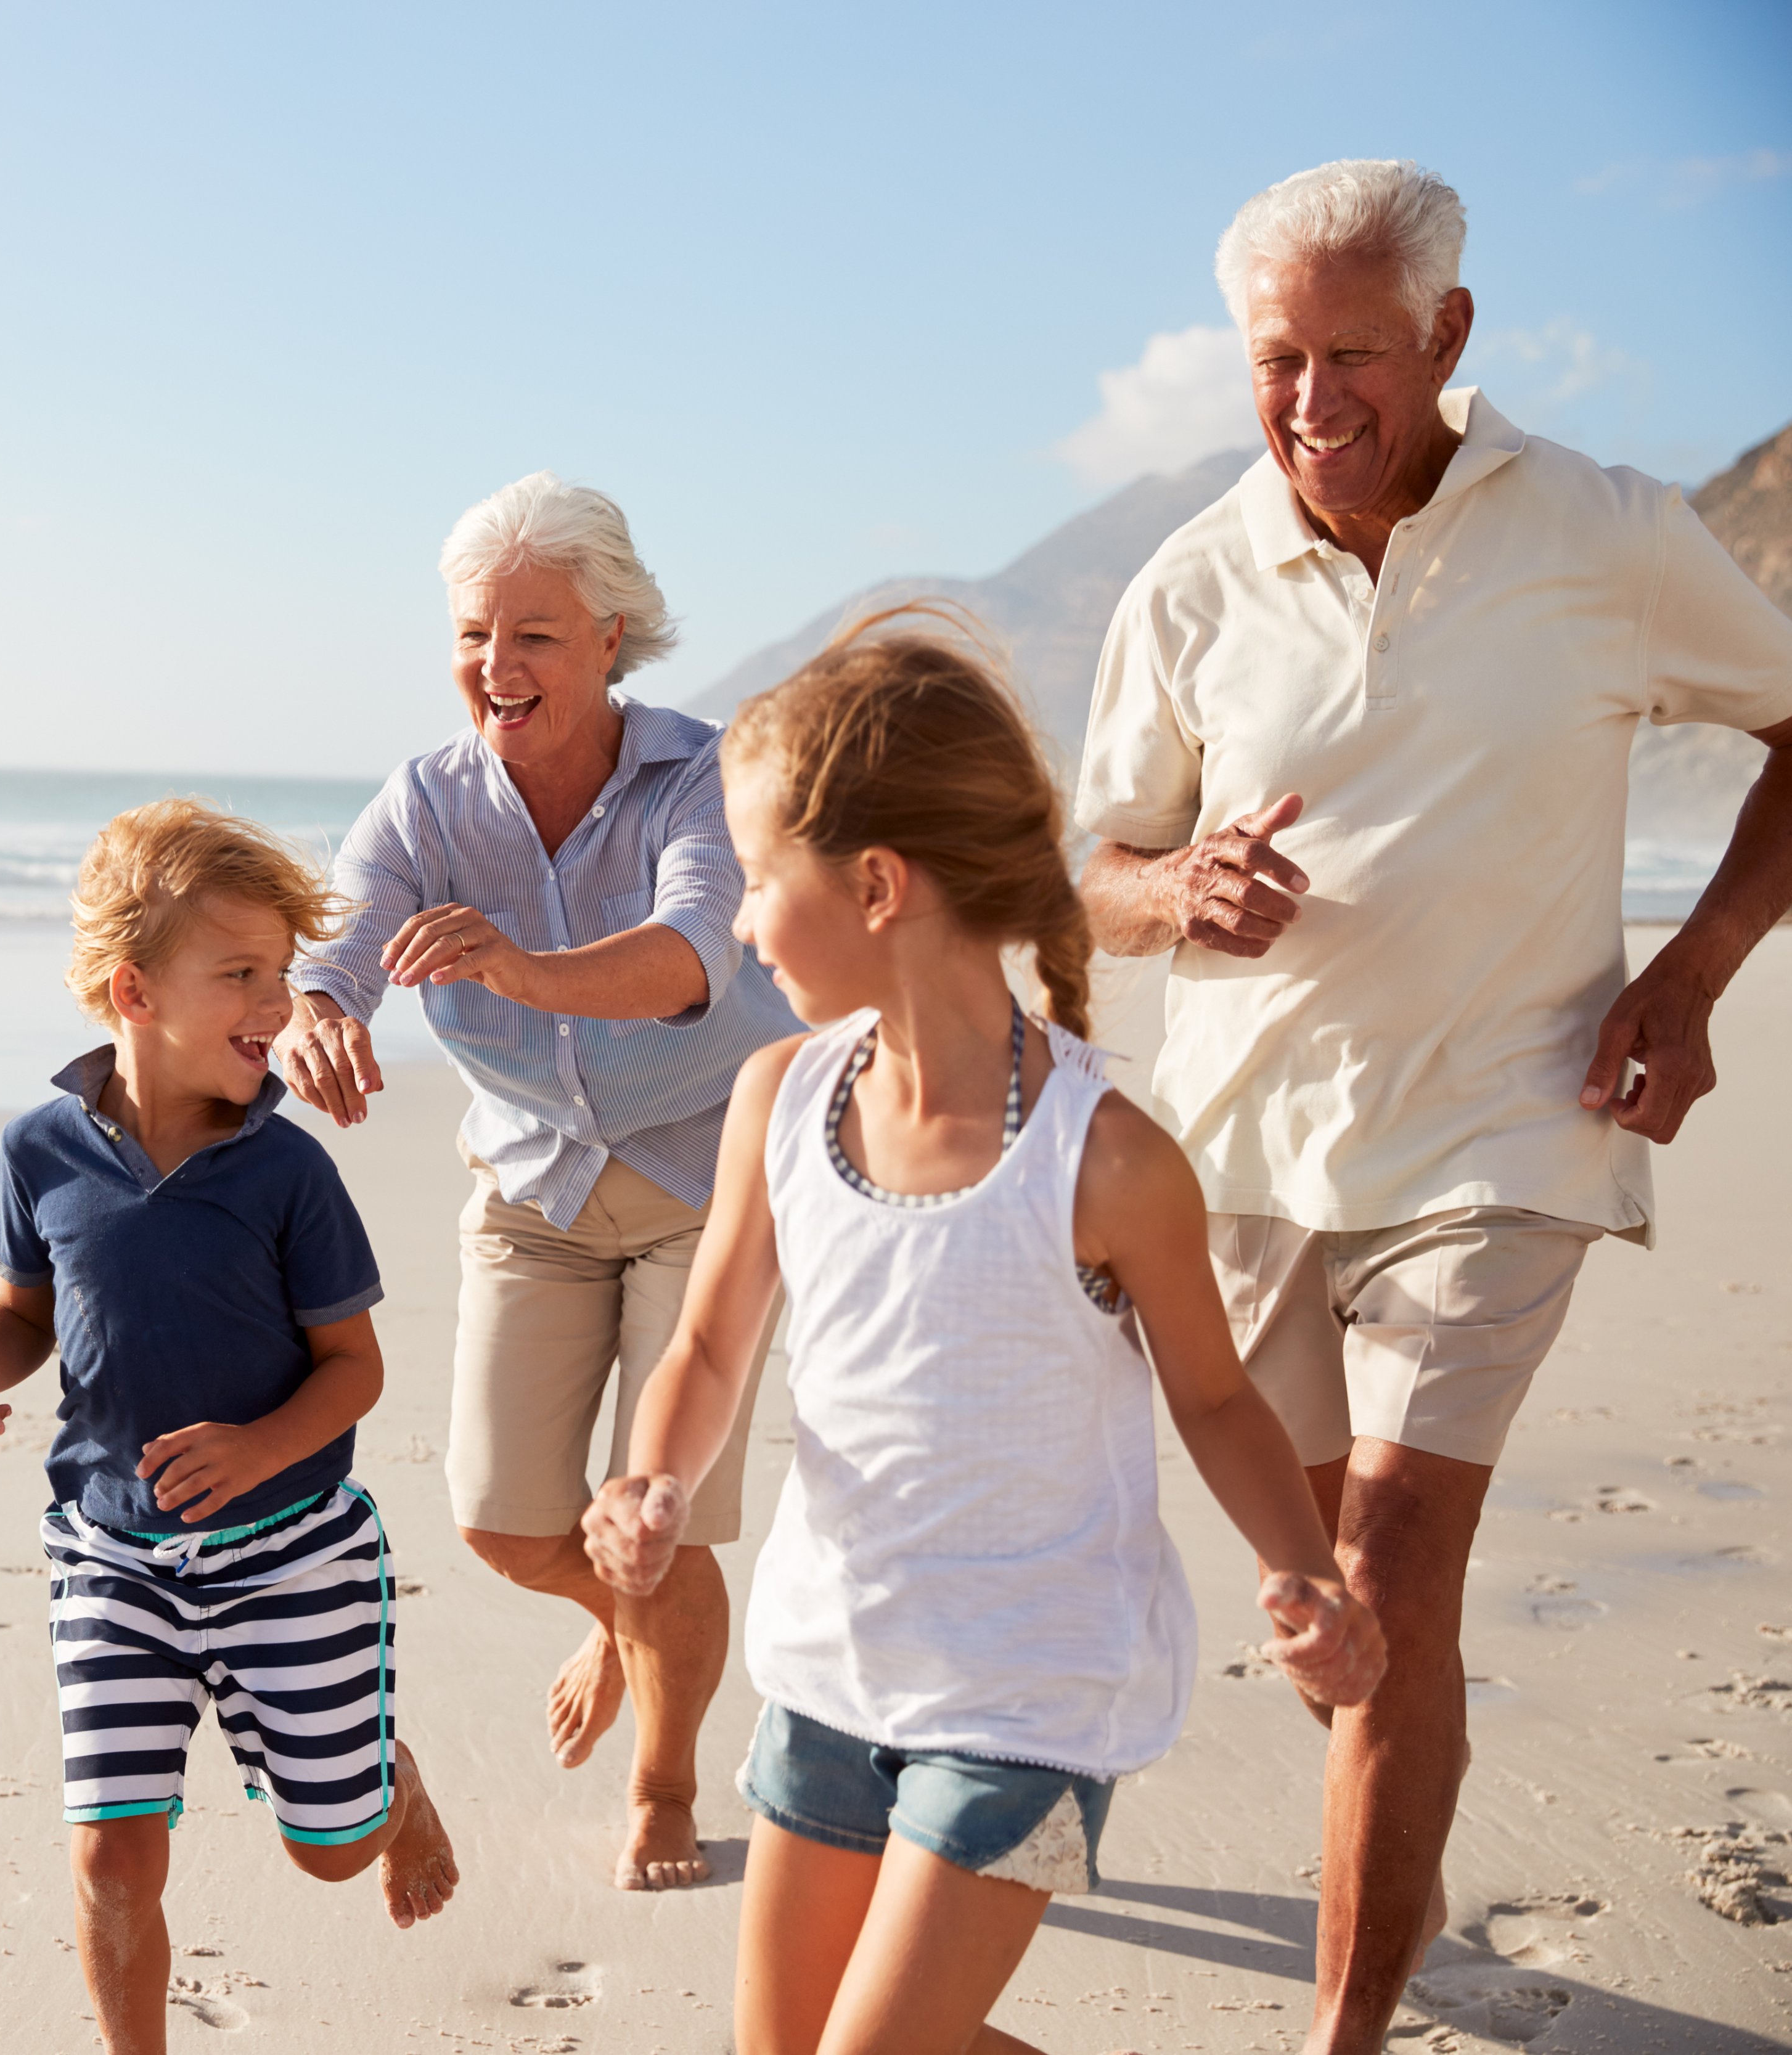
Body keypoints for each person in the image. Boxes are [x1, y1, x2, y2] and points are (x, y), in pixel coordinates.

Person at [1074, 159, 1792, 2052]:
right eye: (1277, 361)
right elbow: (1089, 868)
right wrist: (1174, 893)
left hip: (1505, 1130)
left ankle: (1346, 2030)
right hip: (1242, 1161)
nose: (1314, 403)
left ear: (1452, 336)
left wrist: (1695, 972)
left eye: (1352, 357)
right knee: (1340, 1630)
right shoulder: (1190, 579)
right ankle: (1403, 1787)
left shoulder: (1609, 534)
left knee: (1389, 1580)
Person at [584, 615, 1388, 2055]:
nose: (743, 921)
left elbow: (1212, 1400)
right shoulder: (780, 1097)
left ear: (877, 883)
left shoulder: (1108, 1162)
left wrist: (1303, 1569)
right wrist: (651, 1474)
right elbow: (709, 1345)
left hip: (1034, 1697)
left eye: (761, 879)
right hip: (830, 1664)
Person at [274, 473, 803, 1889]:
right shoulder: (425, 803)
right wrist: (316, 1010)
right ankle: (621, 1614)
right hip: (534, 1191)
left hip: (708, 1183)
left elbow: (696, 950)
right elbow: (336, 943)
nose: (495, 668)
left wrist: (515, 964)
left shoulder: (702, 773)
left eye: (536, 636)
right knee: (508, 1520)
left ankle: (666, 1786)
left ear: (613, 635)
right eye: (472, 636)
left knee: (652, 1514)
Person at [0, 799, 460, 2055]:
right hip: (109, 1554)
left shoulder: (287, 1172)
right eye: (241, 974)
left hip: (295, 1548)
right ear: (134, 988)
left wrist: (261, 1446)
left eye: (281, 972)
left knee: (329, 1850)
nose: (277, 1002)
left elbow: (354, 1367)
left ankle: (391, 1779)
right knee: (113, 1849)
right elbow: (23, 1306)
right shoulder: (39, 1151)